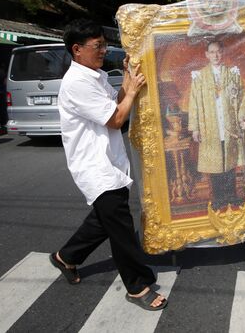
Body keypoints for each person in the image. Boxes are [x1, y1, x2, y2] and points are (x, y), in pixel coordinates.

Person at [48, 19, 167, 311]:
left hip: (109, 162)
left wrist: (127, 78)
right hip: (94, 166)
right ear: (77, 49)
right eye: (97, 45)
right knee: (121, 227)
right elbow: (115, 119)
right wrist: (133, 92)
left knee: (104, 220)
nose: (103, 50)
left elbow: (114, 103)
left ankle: (67, 256)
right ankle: (138, 286)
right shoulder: (76, 82)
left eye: (104, 44)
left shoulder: (95, 75)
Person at [188, 40, 245, 212]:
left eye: (218, 52)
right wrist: (195, 128)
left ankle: (231, 195)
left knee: (229, 161)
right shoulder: (199, 77)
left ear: (223, 53)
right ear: (206, 55)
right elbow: (193, 103)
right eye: (212, 52)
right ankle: (219, 198)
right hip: (210, 126)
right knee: (215, 163)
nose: (215, 55)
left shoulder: (232, 74)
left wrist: (242, 117)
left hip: (229, 125)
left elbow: (242, 98)